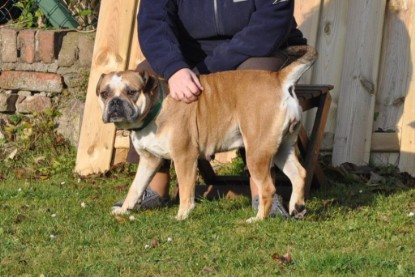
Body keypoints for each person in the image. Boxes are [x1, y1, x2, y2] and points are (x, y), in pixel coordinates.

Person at [115, 0, 307, 217]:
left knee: (256, 76)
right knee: (148, 75)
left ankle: (261, 191)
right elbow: (153, 22)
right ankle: (155, 187)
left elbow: (271, 23)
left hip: (257, 51)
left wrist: (209, 72)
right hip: (187, 55)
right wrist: (174, 68)